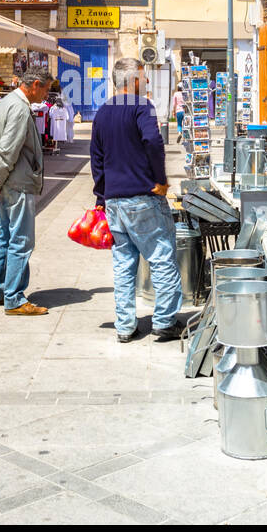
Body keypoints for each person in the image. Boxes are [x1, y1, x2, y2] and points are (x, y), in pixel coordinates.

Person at [91, 58, 184, 342]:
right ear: (132, 81)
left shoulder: (103, 112)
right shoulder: (142, 107)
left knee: (123, 264)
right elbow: (154, 142)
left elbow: (96, 159)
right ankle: (165, 321)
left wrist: (100, 195)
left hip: (114, 201)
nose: (146, 83)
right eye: (143, 79)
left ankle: (125, 326)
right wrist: (161, 180)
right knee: (162, 258)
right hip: (143, 197)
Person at [0, 70, 51, 316]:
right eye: (45, 90)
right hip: (18, 182)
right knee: (21, 240)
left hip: (8, 180)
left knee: (4, 236)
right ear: (34, 85)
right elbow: (8, 150)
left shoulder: (5, 102)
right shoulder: (20, 109)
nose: (45, 95)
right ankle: (14, 298)